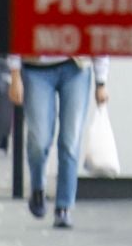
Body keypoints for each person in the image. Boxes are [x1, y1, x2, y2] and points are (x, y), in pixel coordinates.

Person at [9, 54, 109, 228]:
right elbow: (17, 32)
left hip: (76, 67)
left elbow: (93, 32)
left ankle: (64, 206)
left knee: (70, 141)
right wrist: (15, 74)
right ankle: (38, 186)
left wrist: (101, 81)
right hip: (35, 68)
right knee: (39, 139)